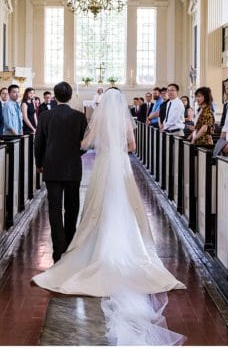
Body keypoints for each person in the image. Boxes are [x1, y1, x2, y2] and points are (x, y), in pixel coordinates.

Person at [33, 87, 185, 308]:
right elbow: (132, 146)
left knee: (92, 205)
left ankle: (71, 249)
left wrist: (62, 153)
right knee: (121, 205)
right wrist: (117, 150)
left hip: (100, 165)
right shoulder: (121, 122)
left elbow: (85, 144)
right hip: (120, 165)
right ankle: (123, 244)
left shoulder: (97, 121)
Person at [33, 80, 88, 263]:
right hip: (73, 167)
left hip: (52, 167)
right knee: (72, 207)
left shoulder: (45, 116)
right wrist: (75, 153)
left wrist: (39, 163)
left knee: (54, 208)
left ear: (55, 96)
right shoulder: (79, 117)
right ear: (70, 96)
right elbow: (86, 144)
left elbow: (39, 142)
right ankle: (70, 243)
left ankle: (58, 248)